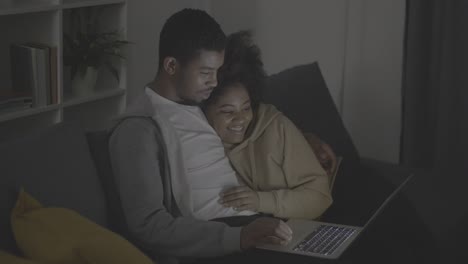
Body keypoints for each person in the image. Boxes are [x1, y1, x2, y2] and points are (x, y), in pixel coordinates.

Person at [108, 9, 292, 264]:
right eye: (205, 73)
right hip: (218, 239)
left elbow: (250, 125)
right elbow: (149, 225)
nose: (215, 82)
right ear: (171, 65)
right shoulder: (138, 130)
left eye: (217, 71)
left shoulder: (200, 103)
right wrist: (238, 237)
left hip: (252, 221)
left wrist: (306, 141)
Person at [202, 31, 332, 220]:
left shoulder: (276, 128)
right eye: (228, 111)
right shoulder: (199, 141)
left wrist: (261, 201)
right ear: (204, 111)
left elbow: (320, 197)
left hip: (338, 197)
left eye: (246, 108)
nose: (240, 119)